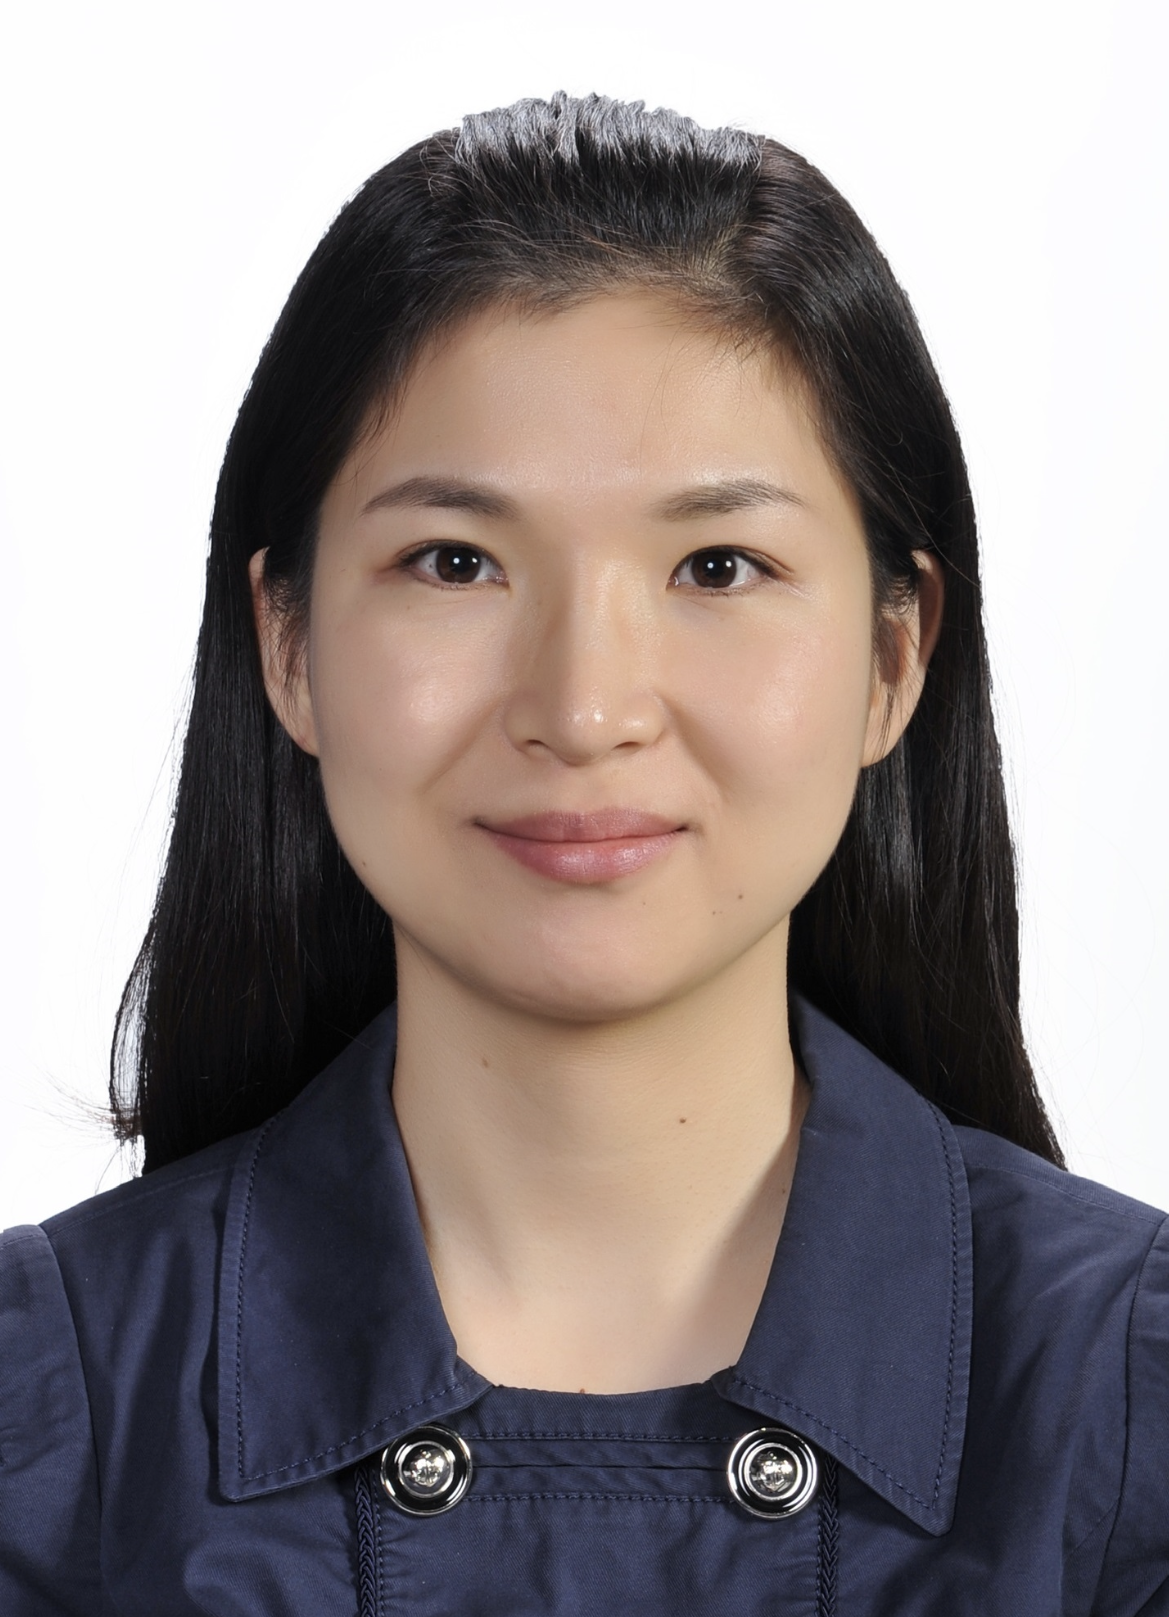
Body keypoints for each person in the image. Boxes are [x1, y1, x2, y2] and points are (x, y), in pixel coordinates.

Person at [1, 91, 1165, 1616]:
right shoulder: (48, 1415)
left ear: (896, 658)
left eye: (718, 567)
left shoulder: (1129, 1409)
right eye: (456, 562)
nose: (584, 707)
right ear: (287, 646)